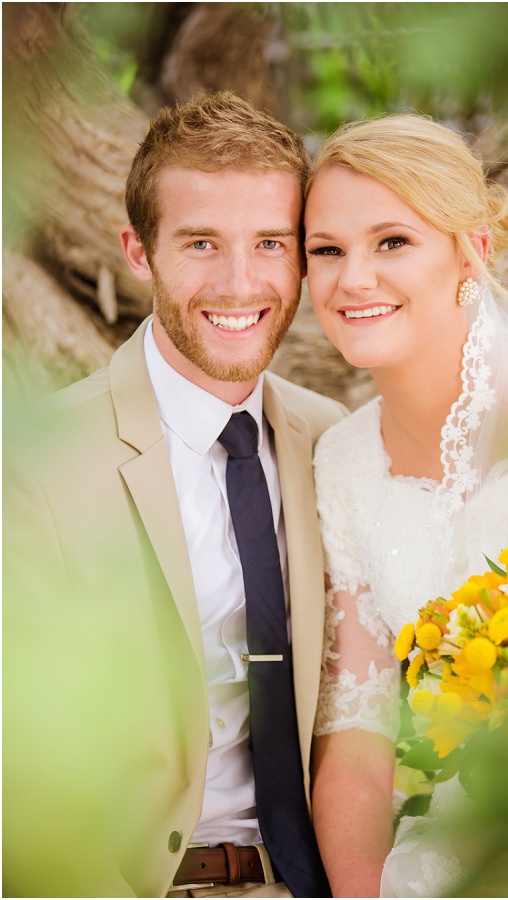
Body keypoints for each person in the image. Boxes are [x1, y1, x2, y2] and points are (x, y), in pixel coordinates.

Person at [3, 92, 343, 897]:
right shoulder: (37, 467)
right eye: (200, 243)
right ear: (138, 250)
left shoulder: (335, 441)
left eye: (269, 242)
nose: (239, 282)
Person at [301, 115, 508, 897]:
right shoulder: (343, 462)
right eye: (326, 251)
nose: (352, 279)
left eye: (391, 242)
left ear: (475, 251)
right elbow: (357, 731)